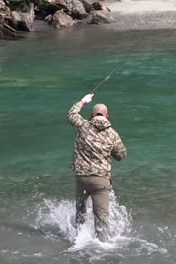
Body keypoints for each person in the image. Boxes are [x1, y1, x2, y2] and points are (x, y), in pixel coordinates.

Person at [67, 93, 127, 241]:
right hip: (101, 180)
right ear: (107, 116)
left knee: (80, 208)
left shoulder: (83, 125)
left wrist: (83, 100)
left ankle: (78, 238)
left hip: (81, 177)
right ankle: (102, 246)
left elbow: (71, 113)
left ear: (92, 115)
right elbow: (121, 156)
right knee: (101, 217)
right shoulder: (113, 134)